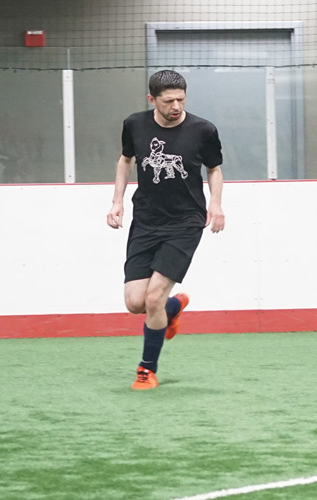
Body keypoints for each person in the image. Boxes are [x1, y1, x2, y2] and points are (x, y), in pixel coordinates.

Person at [107, 69, 225, 390]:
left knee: (154, 297)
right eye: (168, 100)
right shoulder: (135, 124)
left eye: (181, 100)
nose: (176, 106)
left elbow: (214, 169)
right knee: (135, 302)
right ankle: (174, 307)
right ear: (152, 100)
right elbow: (125, 160)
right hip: (145, 220)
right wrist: (117, 201)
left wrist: (215, 203)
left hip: (185, 222)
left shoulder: (203, 130)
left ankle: (147, 369)